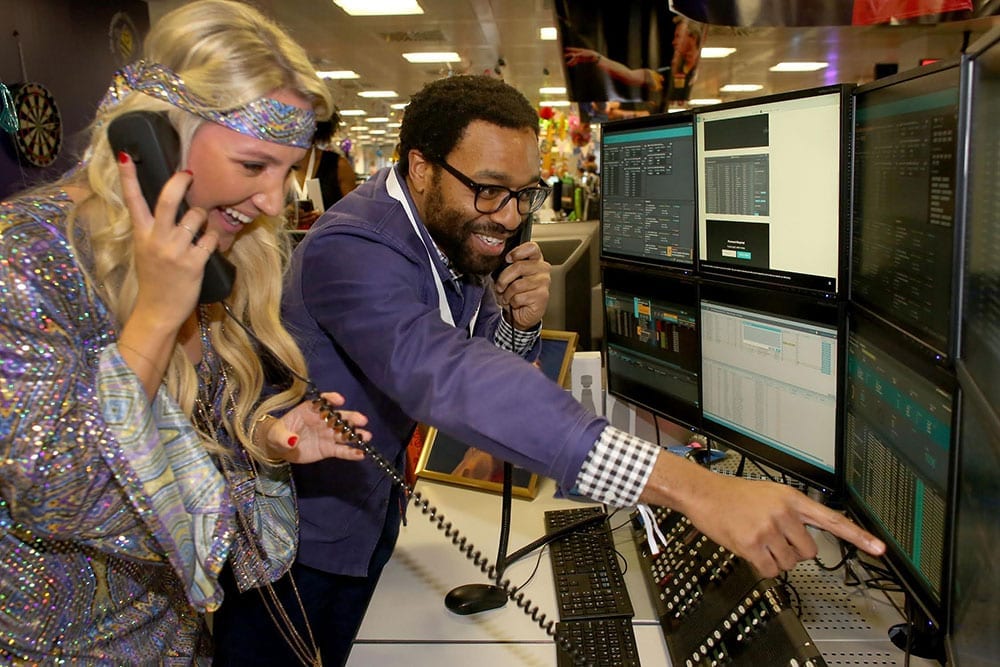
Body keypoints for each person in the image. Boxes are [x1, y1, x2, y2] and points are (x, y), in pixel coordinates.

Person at [214, 74, 886, 666]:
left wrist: (517, 322)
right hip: (300, 547)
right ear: (419, 166)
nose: (508, 216)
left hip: (372, 511)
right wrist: (693, 488)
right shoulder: (353, 245)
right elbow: (446, 377)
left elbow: (481, 377)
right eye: (488, 190)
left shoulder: (450, 229)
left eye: (523, 193)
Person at [0, 1, 370, 663]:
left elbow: (179, 443)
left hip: (173, 638)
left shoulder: (209, 252)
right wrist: (156, 316)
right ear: (154, 140)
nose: (271, 201)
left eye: (288, 171)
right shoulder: (22, 261)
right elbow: (59, 492)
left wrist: (263, 440)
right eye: (253, 165)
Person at [289, 117, 357, 229]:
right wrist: (283, 216)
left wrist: (328, 218)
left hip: (328, 242)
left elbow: (355, 216)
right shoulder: (274, 165)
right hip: (282, 243)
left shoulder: (338, 165)